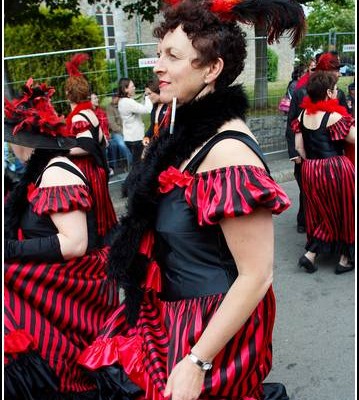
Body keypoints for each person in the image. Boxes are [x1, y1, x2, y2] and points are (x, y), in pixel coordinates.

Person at [78, 1, 305, 399]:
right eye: (160, 53)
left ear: (212, 69)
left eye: (173, 56)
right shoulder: (180, 125)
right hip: (169, 311)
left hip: (207, 327)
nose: (158, 67)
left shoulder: (229, 153)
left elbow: (257, 276)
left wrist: (197, 361)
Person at [3, 78, 121, 399]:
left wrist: (9, 250)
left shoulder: (56, 171)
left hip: (76, 284)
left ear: (22, 140)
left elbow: (75, 244)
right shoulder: (40, 170)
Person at [292, 71, 355, 274]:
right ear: (328, 92)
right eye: (335, 89)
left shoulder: (302, 115)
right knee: (345, 211)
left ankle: (311, 255)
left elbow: (299, 148)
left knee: (322, 213)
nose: (337, 92)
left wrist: (312, 164)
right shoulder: (334, 116)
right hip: (334, 169)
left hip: (310, 169)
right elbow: (353, 139)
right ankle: (345, 259)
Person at [285, 51, 349, 234]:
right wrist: (294, 153)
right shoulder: (300, 93)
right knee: (307, 192)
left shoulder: (340, 94)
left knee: (326, 196)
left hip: (331, 153)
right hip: (306, 151)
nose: (339, 74)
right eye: (336, 69)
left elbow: (343, 123)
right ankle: (306, 223)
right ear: (326, 71)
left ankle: (322, 232)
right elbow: (292, 124)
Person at [65, 53, 118, 241]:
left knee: (93, 215)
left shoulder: (79, 117)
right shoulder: (90, 112)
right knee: (101, 212)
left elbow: (87, 146)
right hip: (96, 170)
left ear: (68, 94)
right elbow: (102, 141)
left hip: (87, 171)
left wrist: (62, 150)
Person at [117, 77, 153, 164]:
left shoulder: (123, 101)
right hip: (136, 138)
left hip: (130, 138)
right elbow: (147, 109)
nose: (134, 88)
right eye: (132, 86)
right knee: (138, 166)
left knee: (137, 164)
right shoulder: (128, 102)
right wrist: (148, 96)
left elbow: (137, 106)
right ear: (125, 89)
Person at [105, 91, 133, 171]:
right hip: (116, 132)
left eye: (115, 96)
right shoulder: (109, 107)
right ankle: (132, 163)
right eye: (112, 97)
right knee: (122, 144)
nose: (113, 98)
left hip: (128, 129)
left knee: (135, 141)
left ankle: (131, 163)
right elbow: (112, 124)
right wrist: (123, 132)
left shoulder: (123, 105)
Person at [142, 77, 171, 149]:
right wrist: (147, 136)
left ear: (157, 90)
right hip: (157, 146)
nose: (148, 97)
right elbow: (153, 125)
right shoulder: (155, 106)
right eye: (146, 94)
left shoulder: (170, 106)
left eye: (149, 94)